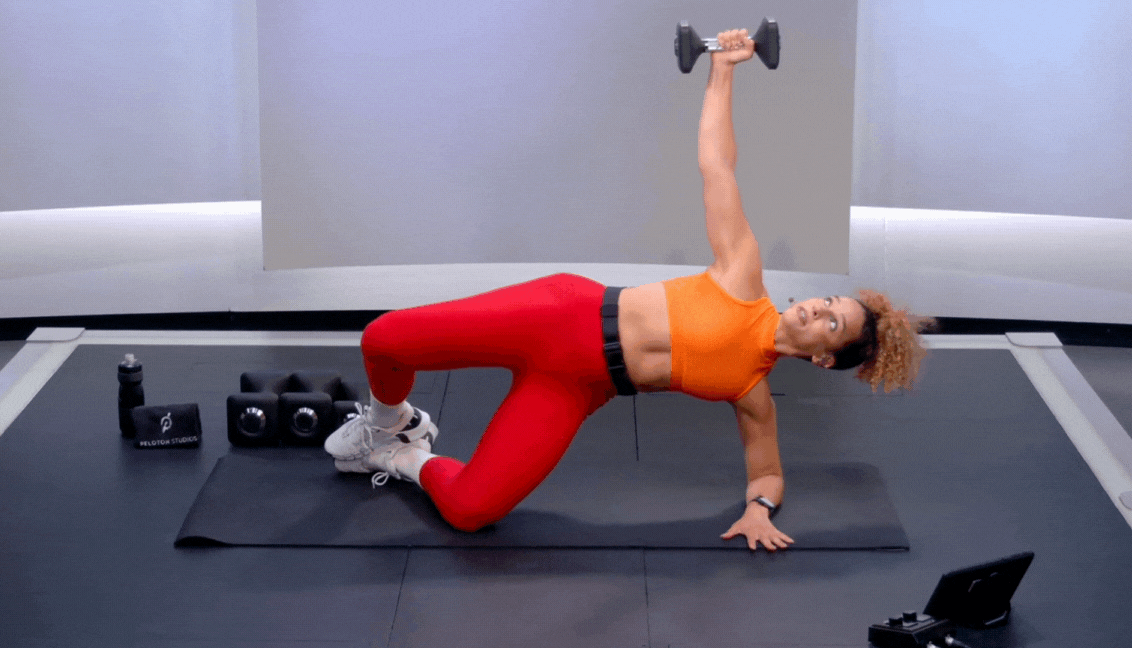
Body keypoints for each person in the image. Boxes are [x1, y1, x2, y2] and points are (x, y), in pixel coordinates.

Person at [324, 29, 930, 550]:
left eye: (832, 323)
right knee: (384, 338)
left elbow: (767, 474)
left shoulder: (754, 393)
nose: (820, 307)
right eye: (829, 301)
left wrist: (757, 510)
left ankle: (405, 457)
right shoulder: (743, 277)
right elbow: (717, 165)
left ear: (824, 358)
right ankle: (389, 422)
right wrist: (721, 72)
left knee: (471, 509)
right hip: (560, 314)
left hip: (577, 384)